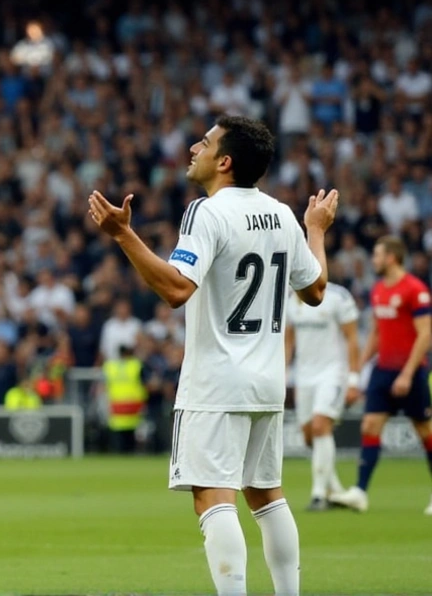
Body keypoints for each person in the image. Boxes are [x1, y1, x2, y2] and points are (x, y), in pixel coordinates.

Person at [88, 115, 336, 596]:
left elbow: (178, 289)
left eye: (204, 143)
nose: (192, 149)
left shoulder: (207, 212)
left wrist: (122, 235)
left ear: (224, 162)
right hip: (266, 381)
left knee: (212, 498)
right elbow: (317, 290)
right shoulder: (284, 215)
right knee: (266, 495)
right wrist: (316, 230)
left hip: (217, 380)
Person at [330, 236, 432, 515]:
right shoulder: (378, 290)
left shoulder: (415, 289)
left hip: (409, 371)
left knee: (425, 430)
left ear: (391, 258)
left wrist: (408, 374)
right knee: (369, 426)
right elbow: (376, 331)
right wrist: (361, 365)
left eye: (376, 255)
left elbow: (426, 334)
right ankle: (360, 492)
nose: (373, 260)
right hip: (382, 369)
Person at [284, 283, 360, 510]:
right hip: (304, 376)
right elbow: (288, 341)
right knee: (309, 437)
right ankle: (334, 489)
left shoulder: (338, 296)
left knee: (320, 427)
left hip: (333, 373)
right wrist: (283, 373)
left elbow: (352, 338)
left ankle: (319, 495)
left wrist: (354, 379)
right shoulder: (289, 298)